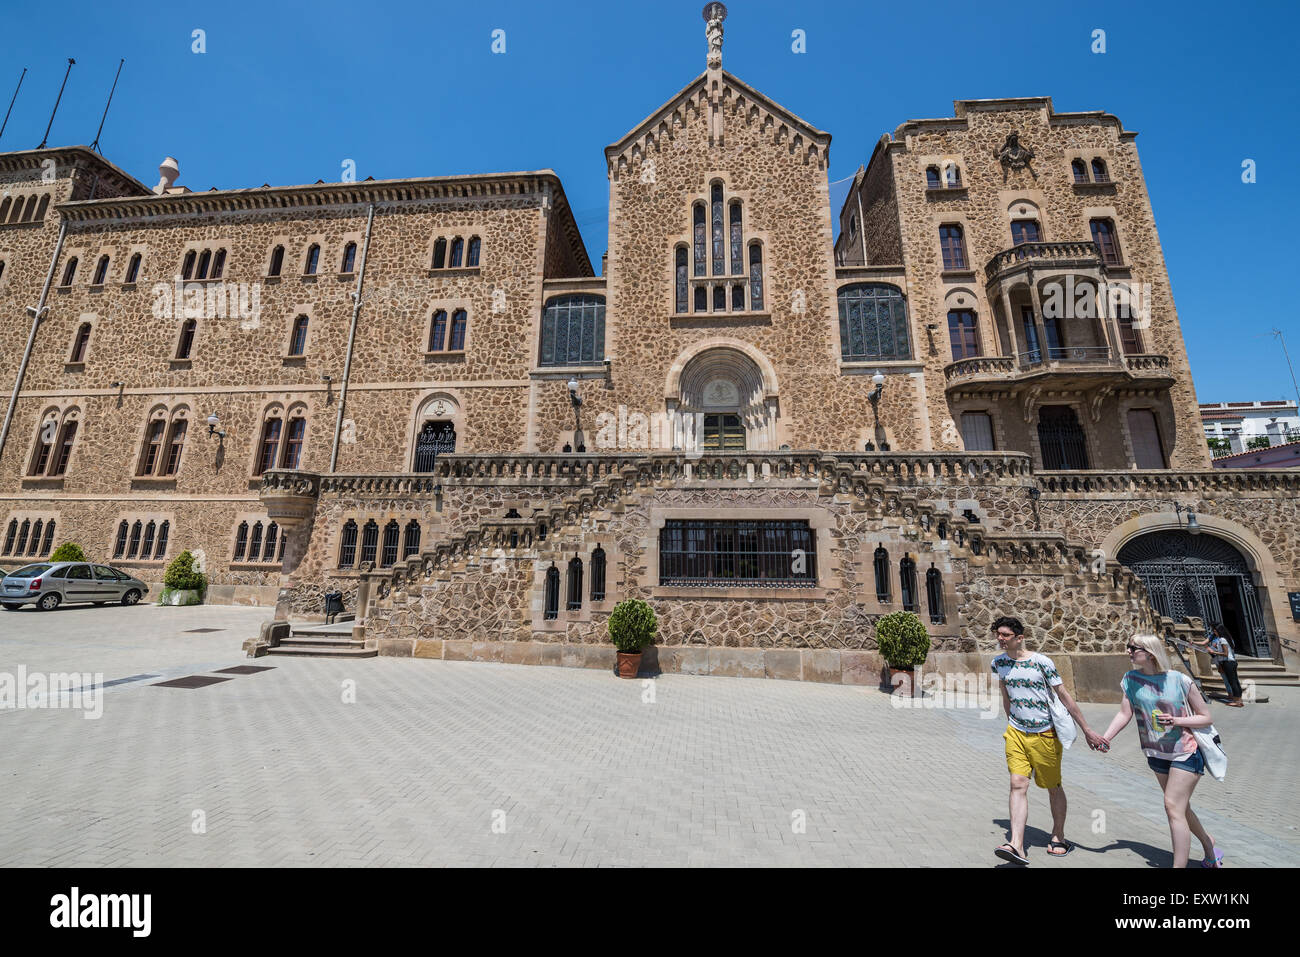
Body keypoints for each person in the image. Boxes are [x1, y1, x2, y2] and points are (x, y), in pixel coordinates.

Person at [989, 616, 1106, 865]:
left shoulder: (1041, 662)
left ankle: (1058, 836)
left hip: (1045, 734)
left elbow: (1064, 696)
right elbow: (1005, 694)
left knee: (1053, 786)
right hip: (1016, 733)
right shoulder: (998, 663)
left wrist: (1087, 730)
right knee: (1017, 784)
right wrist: (1011, 722)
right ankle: (1016, 845)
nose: (1000, 638)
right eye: (998, 633)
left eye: (1005, 634)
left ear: (1019, 637)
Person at [1099, 634, 1222, 868]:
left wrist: (1176, 720)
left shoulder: (1179, 680)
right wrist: (1106, 738)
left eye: (1133, 648)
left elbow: (1206, 716)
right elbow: (1125, 714)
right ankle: (1208, 844)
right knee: (1180, 808)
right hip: (1155, 754)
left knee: (1171, 806)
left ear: (1150, 652)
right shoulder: (1130, 679)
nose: (1128, 652)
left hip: (1185, 752)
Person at [1206, 624, 1244, 707]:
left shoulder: (1222, 639)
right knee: (1235, 682)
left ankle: (1237, 702)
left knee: (1233, 682)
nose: (1214, 632)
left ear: (1220, 631)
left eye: (1215, 631)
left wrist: (1213, 652)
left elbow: (1225, 654)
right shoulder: (1226, 639)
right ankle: (1239, 700)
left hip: (1228, 663)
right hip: (1231, 662)